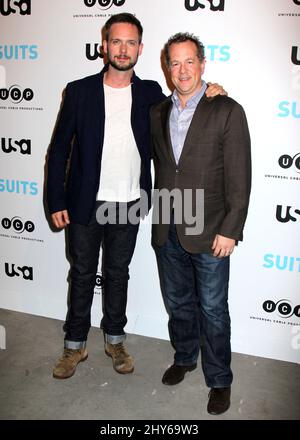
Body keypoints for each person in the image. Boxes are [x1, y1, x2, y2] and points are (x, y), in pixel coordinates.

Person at [47, 14, 226, 380]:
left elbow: (185, 106)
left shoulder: (149, 95)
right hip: (85, 203)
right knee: (82, 274)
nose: (123, 49)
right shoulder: (79, 91)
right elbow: (59, 148)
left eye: (131, 43)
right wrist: (56, 200)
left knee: (117, 274)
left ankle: (115, 339)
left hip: (129, 203)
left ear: (140, 49)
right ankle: (74, 345)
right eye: (117, 41)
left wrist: (213, 92)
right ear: (104, 46)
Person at [150, 33, 251, 415]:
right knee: (178, 303)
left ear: (203, 64)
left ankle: (220, 379)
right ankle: (184, 356)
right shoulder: (157, 112)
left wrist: (231, 228)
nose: (182, 70)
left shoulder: (226, 109)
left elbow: (240, 178)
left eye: (189, 61)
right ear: (167, 67)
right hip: (168, 228)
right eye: (174, 63)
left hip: (211, 232)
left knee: (212, 308)